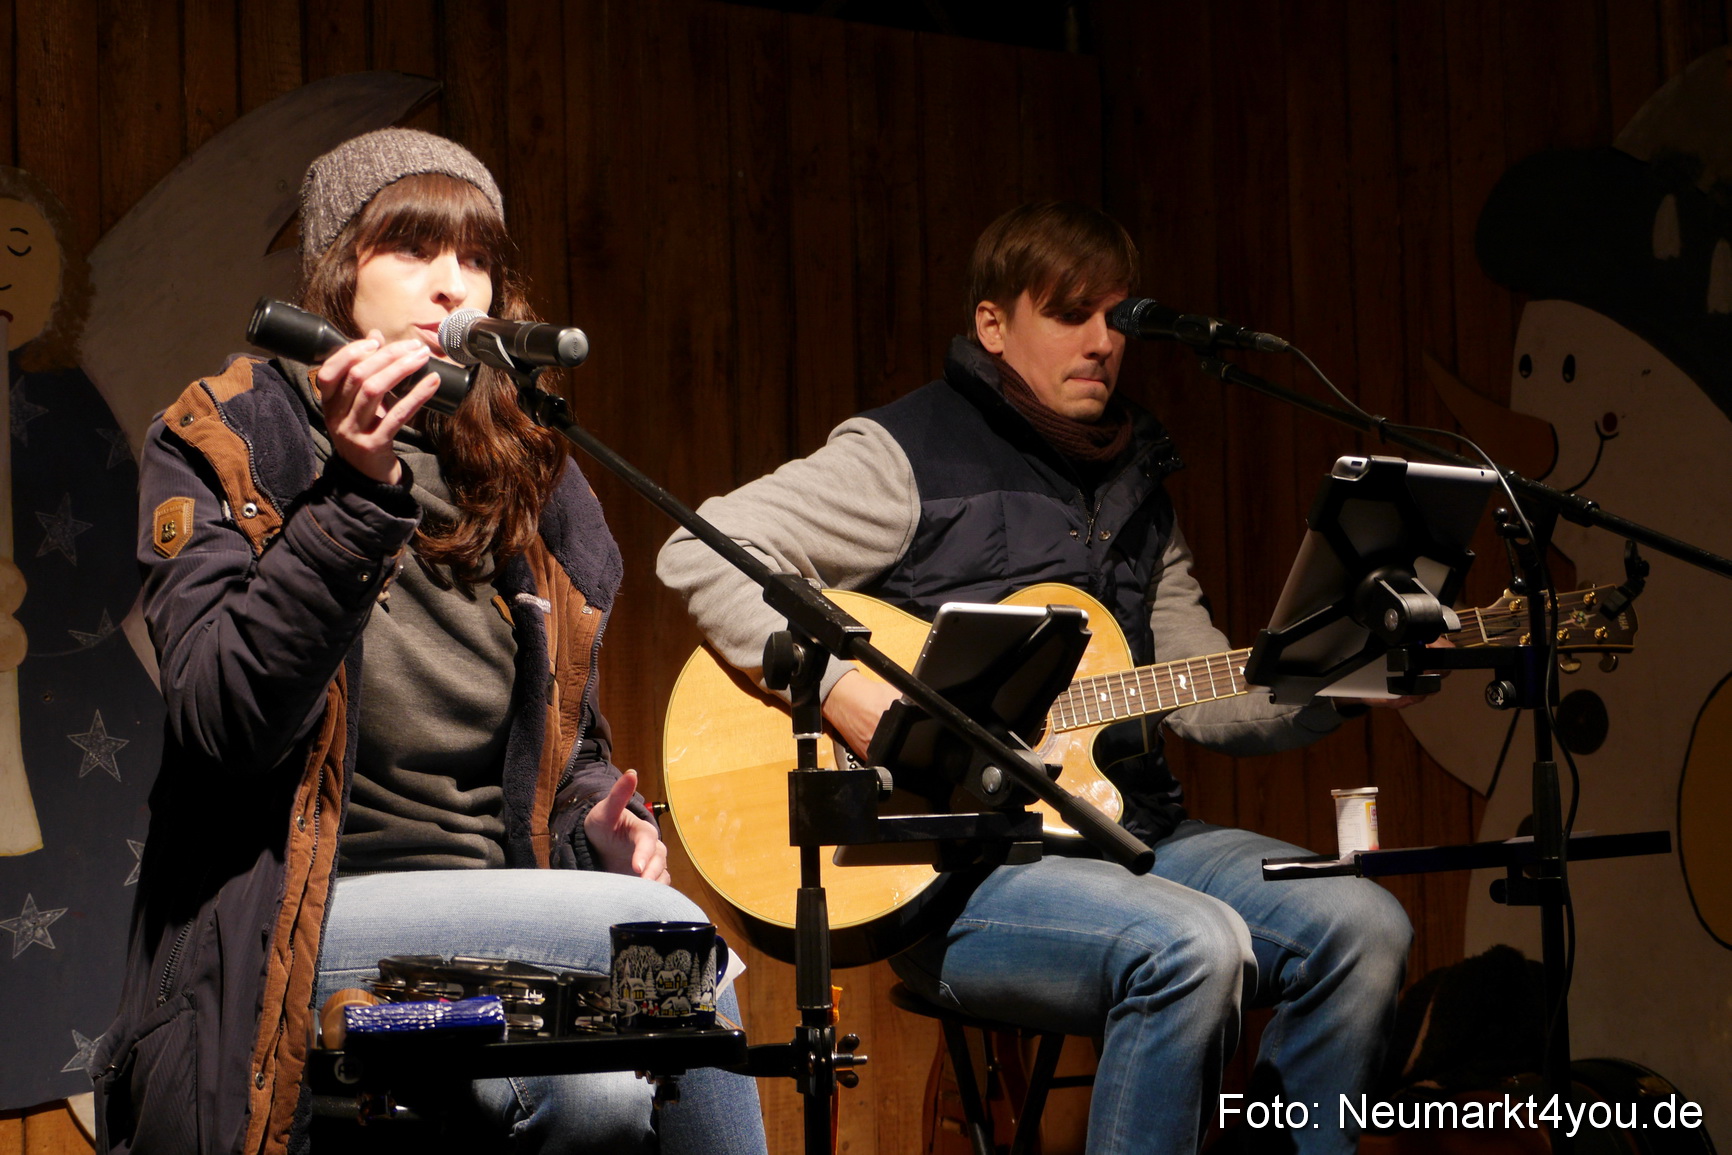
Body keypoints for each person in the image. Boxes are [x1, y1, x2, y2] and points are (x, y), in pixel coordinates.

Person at [657, 202, 1412, 1154]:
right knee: (1194, 945)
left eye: (1117, 318)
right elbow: (703, 550)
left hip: (1132, 835)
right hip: (958, 871)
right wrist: (842, 687)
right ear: (991, 325)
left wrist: (1345, 682)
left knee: (1364, 923)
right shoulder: (906, 459)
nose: (1102, 343)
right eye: (1068, 314)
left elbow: (1201, 686)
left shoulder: (1139, 489)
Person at [92, 128, 767, 1155]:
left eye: (478, 259)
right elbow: (225, 720)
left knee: (607, 1097)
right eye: (411, 250)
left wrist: (597, 818)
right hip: (300, 924)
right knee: (673, 956)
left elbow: (569, 749)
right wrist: (355, 494)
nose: (453, 287)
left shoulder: (532, 481)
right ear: (334, 273)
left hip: (500, 944)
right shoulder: (228, 441)